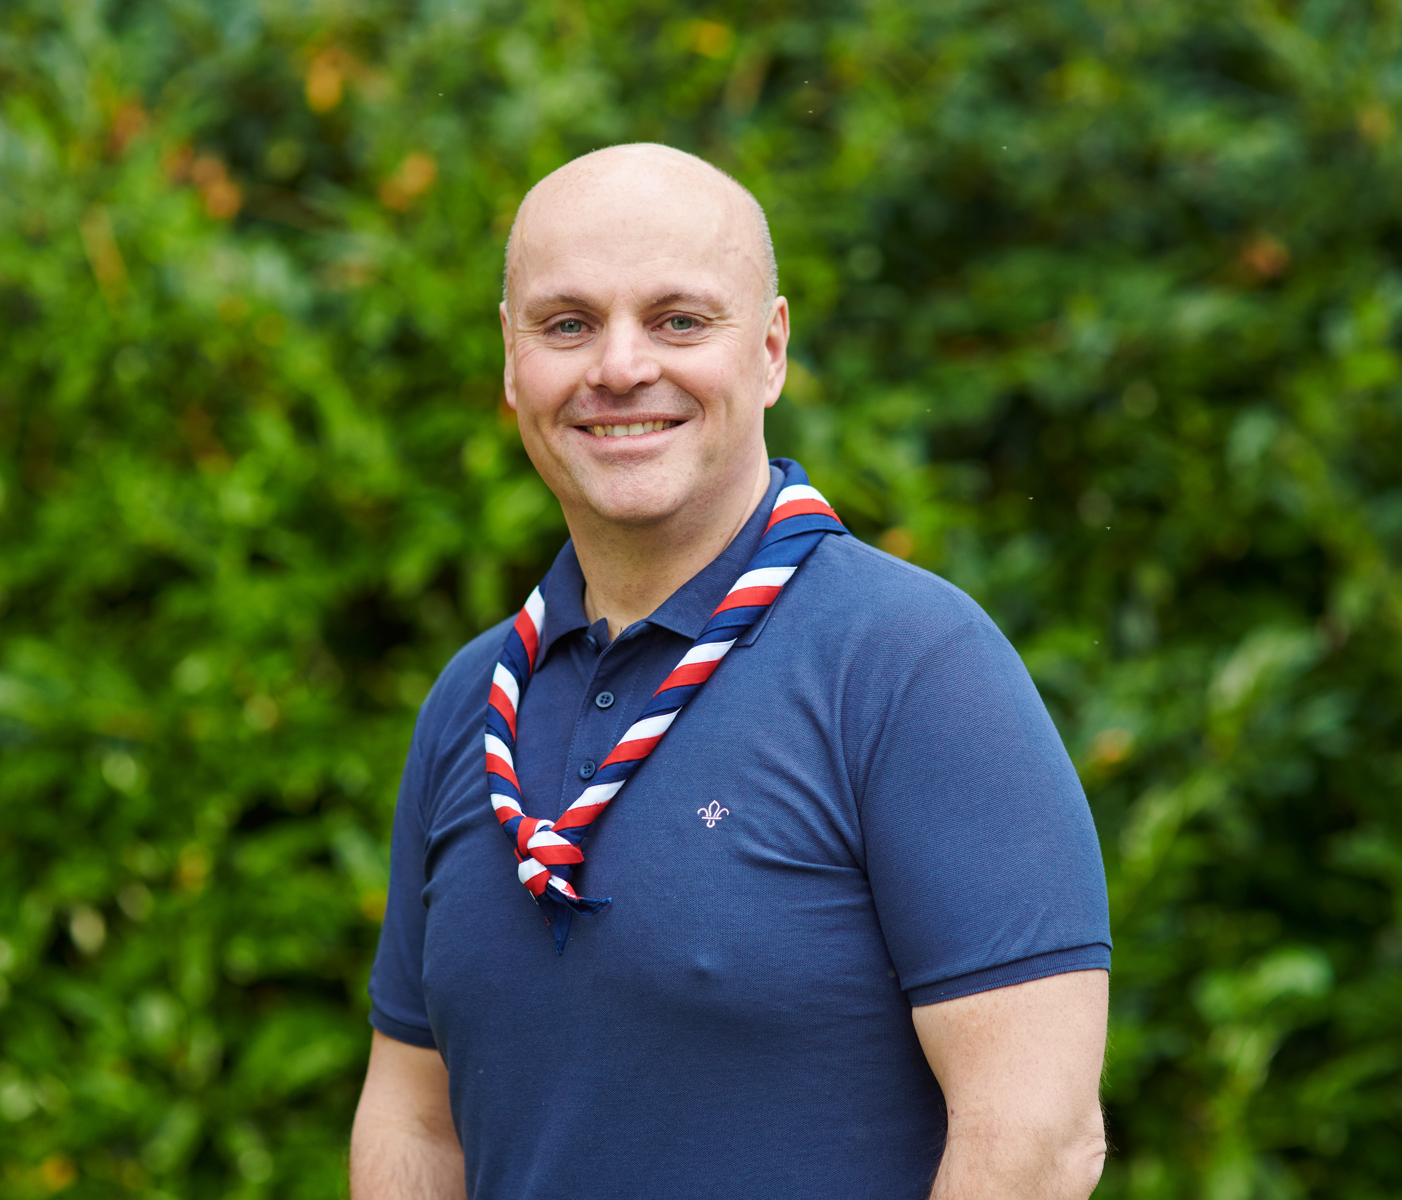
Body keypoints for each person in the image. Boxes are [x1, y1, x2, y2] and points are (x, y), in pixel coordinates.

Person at [350, 143, 1112, 1200]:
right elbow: (414, 1121)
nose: (619, 367)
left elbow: (1035, 1142)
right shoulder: (474, 704)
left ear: (770, 350)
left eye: (678, 321)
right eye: (567, 323)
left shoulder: (913, 669)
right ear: (512, 360)